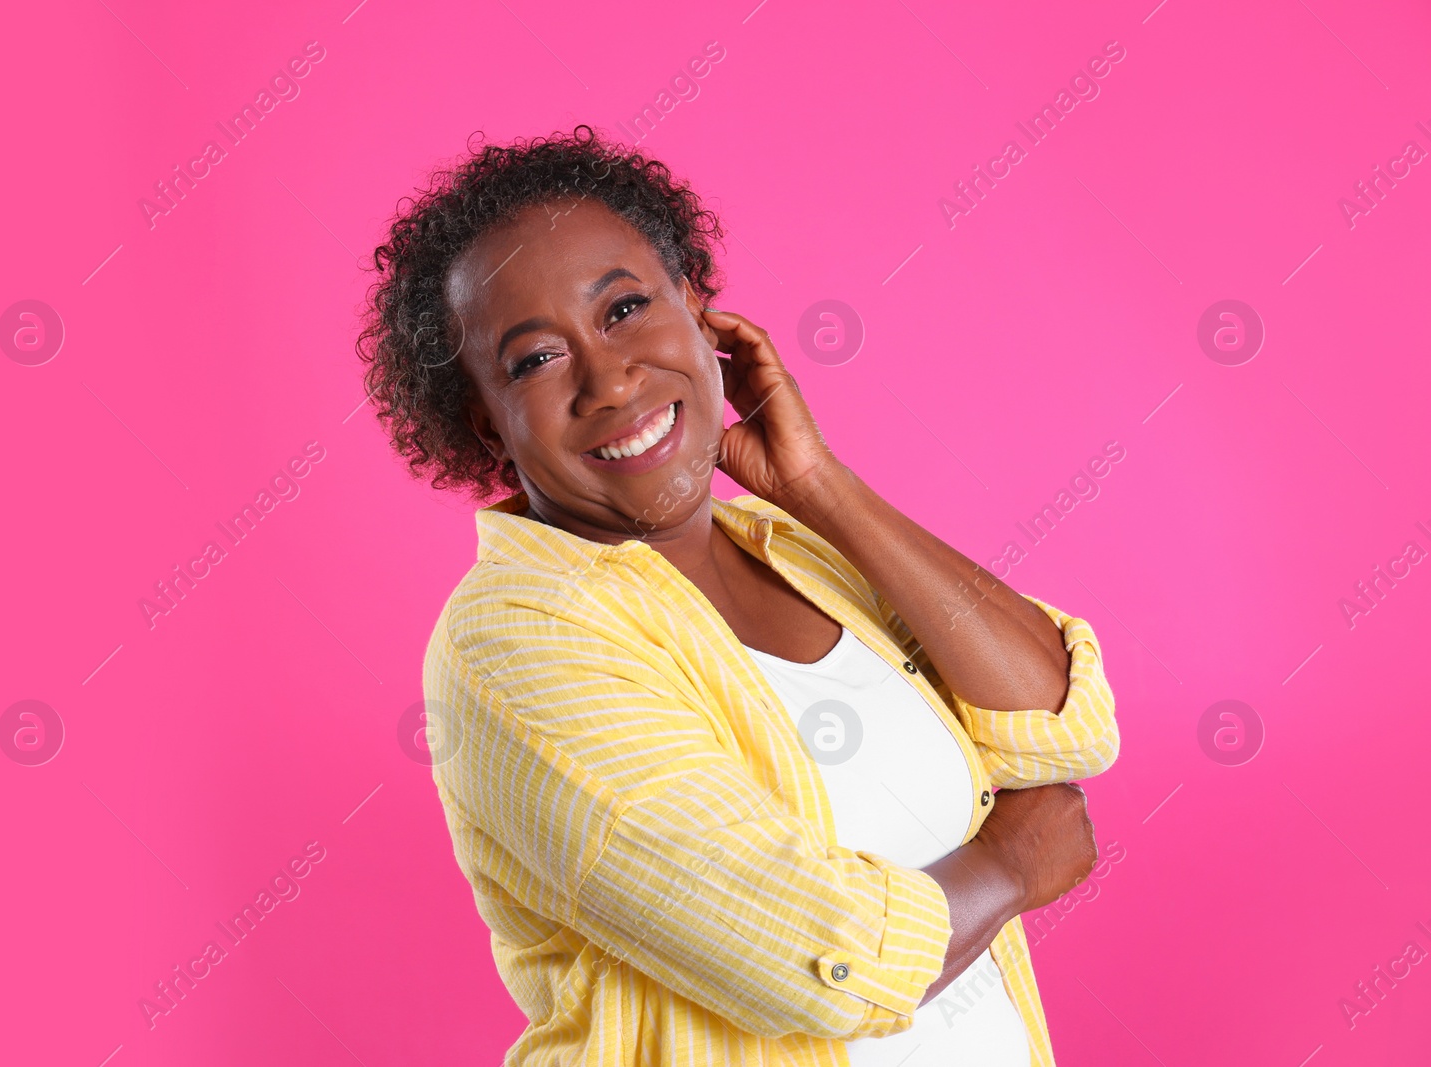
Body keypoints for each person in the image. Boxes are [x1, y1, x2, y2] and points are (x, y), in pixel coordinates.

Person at [357, 126, 1120, 1066]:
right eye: (534, 361)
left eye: (626, 307)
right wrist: (1009, 866)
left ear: (700, 311)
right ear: (488, 424)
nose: (609, 378)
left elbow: (1059, 722)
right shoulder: (514, 640)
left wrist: (817, 485)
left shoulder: (795, 550)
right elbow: (807, 954)